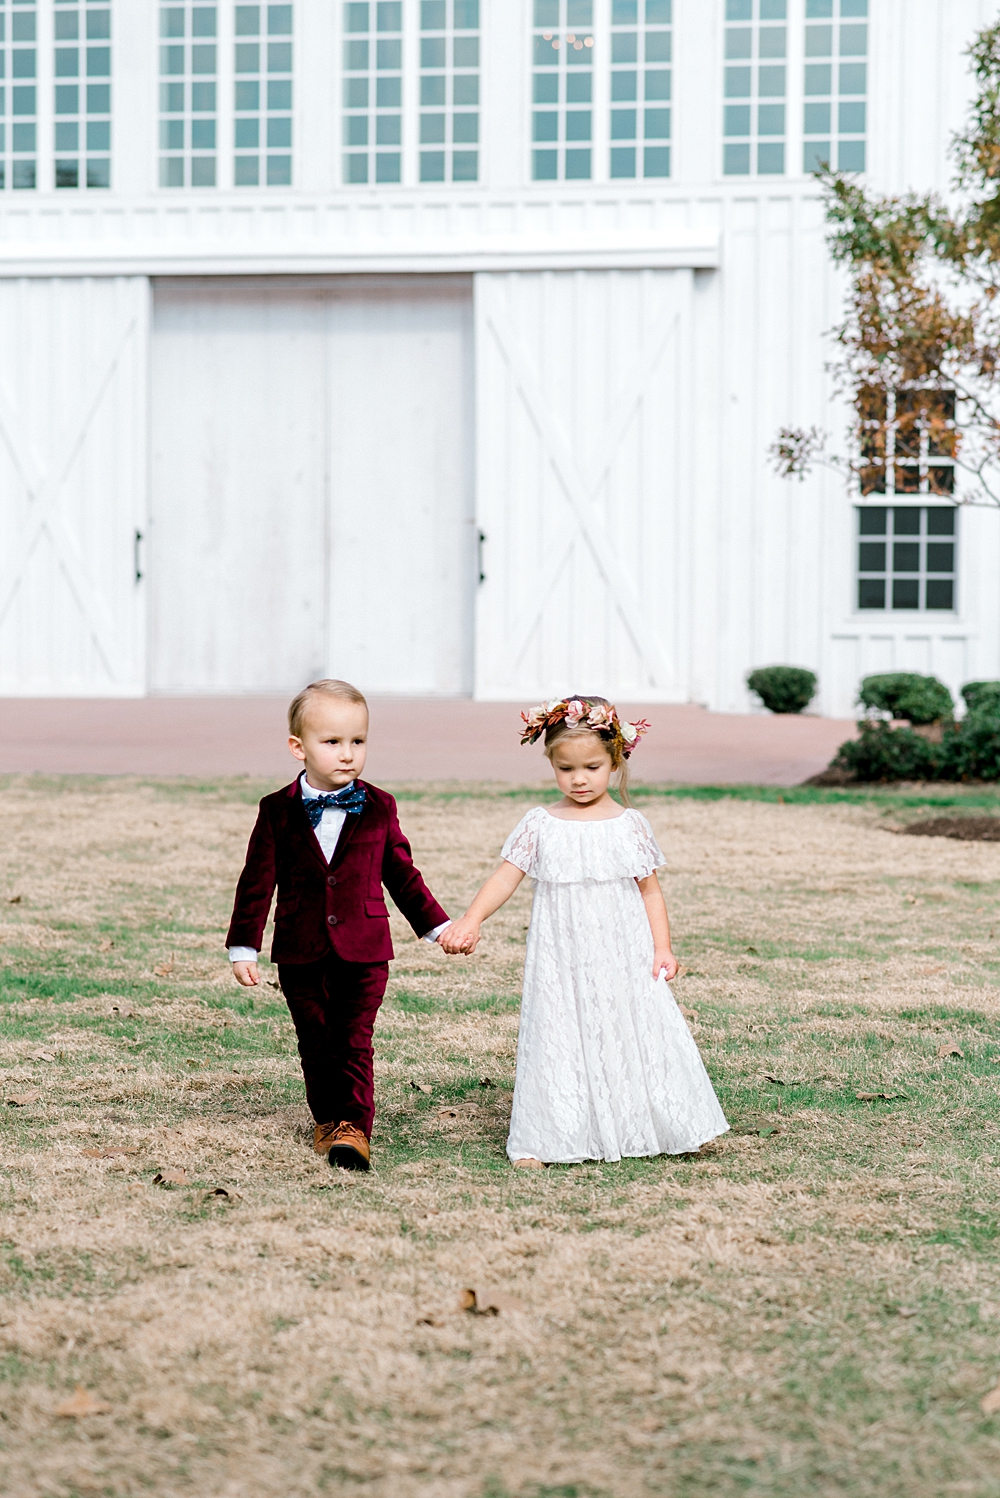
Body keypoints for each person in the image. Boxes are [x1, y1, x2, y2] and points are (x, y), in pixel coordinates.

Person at [440, 696, 729, 1168]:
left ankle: (642, 1123)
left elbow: (650, 891)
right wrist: (471, 920)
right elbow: (506, 877)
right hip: (561, 951)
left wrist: (662, 947)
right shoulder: (540, 824)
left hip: (622, 948)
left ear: (615, 761)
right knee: (558, 1030)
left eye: (592, 767)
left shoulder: (629, 825)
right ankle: (547, 1137)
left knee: (627, 1027)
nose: (579, 779)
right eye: (566, 769)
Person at [226, 679, 450, 1172]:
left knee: (353, 1039)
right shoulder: (276, 810)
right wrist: (244, 946)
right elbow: (256, 881)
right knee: (314, 1040)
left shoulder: (380, 805)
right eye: (332, 742)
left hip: (365, 949)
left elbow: (402, 874)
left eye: (358, 741)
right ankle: (326, 1118)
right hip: (299, 948)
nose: (347, 754)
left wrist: (437, 927)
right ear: (298, 747)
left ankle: (353, 1127)